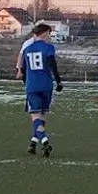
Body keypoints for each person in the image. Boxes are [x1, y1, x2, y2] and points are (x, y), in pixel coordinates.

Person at [16, 23, 63, 157]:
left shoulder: (27, 49)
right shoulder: (48, 47)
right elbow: (52, 64)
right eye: (49, 33)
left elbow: (23, 70)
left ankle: (44, 140)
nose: (49, 36)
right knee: (42, 115)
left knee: (36, 116)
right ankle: (34, 142)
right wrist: (58, 81)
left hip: (32, 86)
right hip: (46, 86)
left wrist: (27, 84)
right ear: (43, 33)